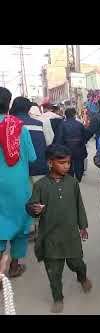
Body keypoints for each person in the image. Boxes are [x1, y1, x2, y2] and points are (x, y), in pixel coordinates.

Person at [27, 144, 91, 313]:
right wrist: (35, 208)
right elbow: (31, 205)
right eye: (62, 163)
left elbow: (79, 205)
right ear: (50, 163)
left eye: (68, 162)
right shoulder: (40, 185)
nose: (67, 166)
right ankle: (58, 298)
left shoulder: (72, 183)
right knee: (53, 272)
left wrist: (83, 226)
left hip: (71, 235)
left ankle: (82, 277)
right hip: (51, 237)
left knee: (77, 263)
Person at [0, 88, 37, 278]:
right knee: (20, 224)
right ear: (8, 104)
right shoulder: (19, 127)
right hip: (17, 186)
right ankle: (14, 266)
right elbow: (32, 157)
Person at [10, 97, 49, 185]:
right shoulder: (40, 124)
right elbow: (50, 144)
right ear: (29, 108)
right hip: (39, 167)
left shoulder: (6, 125)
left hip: (16, 171)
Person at [58, 108, 88, 182]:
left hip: (66, 147)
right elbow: (85, 136)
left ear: (65, 115)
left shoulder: (62, 125)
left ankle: (70, 177)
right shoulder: (80, 124)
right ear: (74, 115)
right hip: (79, 147)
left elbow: (59, 137)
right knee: (79, 162)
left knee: (68, 162)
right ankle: (79, 177)